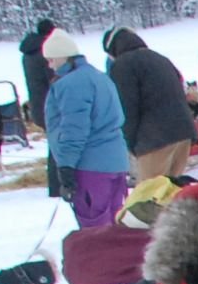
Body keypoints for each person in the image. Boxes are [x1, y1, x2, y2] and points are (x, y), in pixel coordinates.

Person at [42, 29, 135, 233]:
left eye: (51, 60)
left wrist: (66, 165)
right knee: (116, 223)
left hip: (90, 164)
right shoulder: (99, 76)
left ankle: (102, 255)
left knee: (95, 229)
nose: (50, 66)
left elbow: (74, 129)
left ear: (62, 56)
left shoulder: (71, 84)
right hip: (115, 161)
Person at [102, 27, 196, 184]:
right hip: (183, 133)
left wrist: (130, 143)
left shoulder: (123, 65)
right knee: (171, 190)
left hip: (155, 139)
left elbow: (127, 108)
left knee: (149, 193)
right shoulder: (160, 58)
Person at [17, 16, 54, 130]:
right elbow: (54, 79)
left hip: (37, 104)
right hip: (50, 105)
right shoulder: (45, 52)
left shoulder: (29, 53)